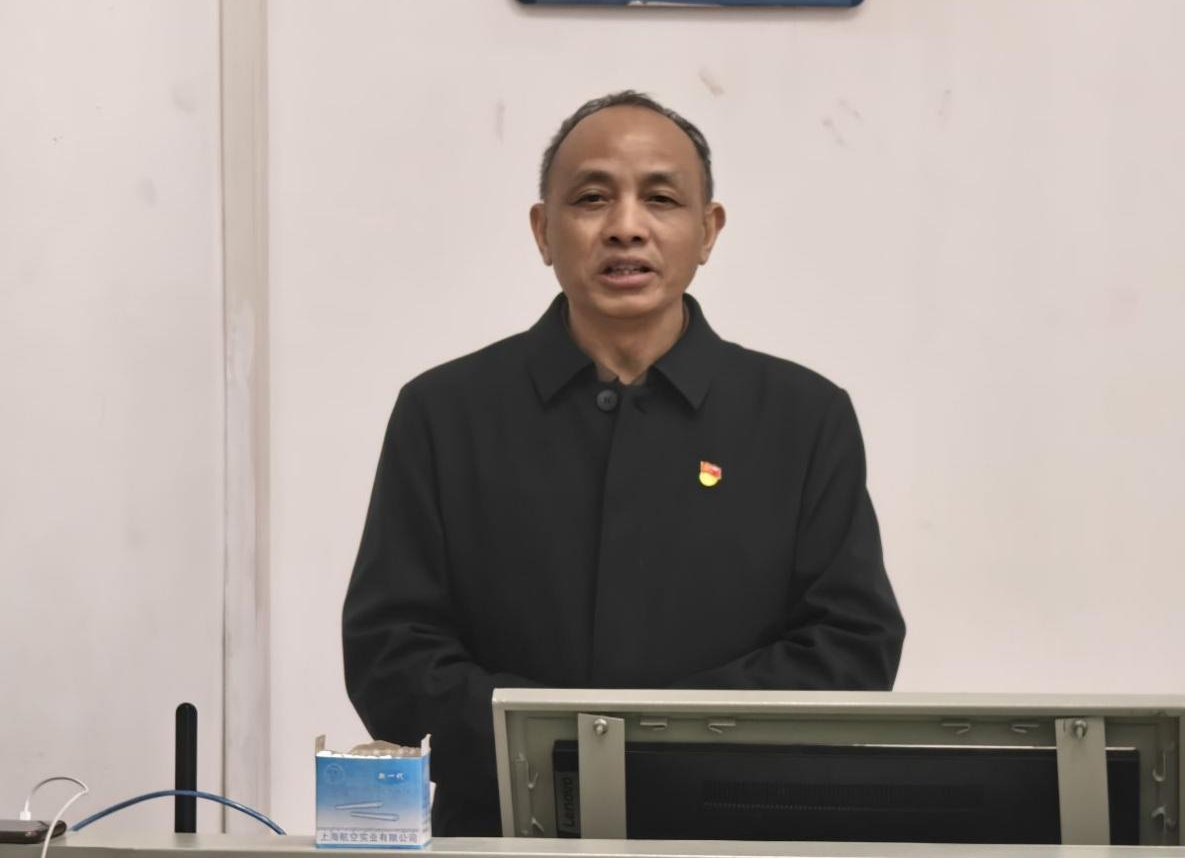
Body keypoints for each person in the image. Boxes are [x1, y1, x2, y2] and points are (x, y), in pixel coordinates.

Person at [342, 91, 905, 837]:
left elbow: (850, 647)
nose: (626, 227)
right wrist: (557, 752)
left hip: (739, 839)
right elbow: (391, 651)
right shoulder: (444, 413)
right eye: (591, 198)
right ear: (543, 231)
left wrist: (656, 747)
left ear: (708, 231)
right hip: (502, 835)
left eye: (661, 199)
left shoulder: (802, 417)